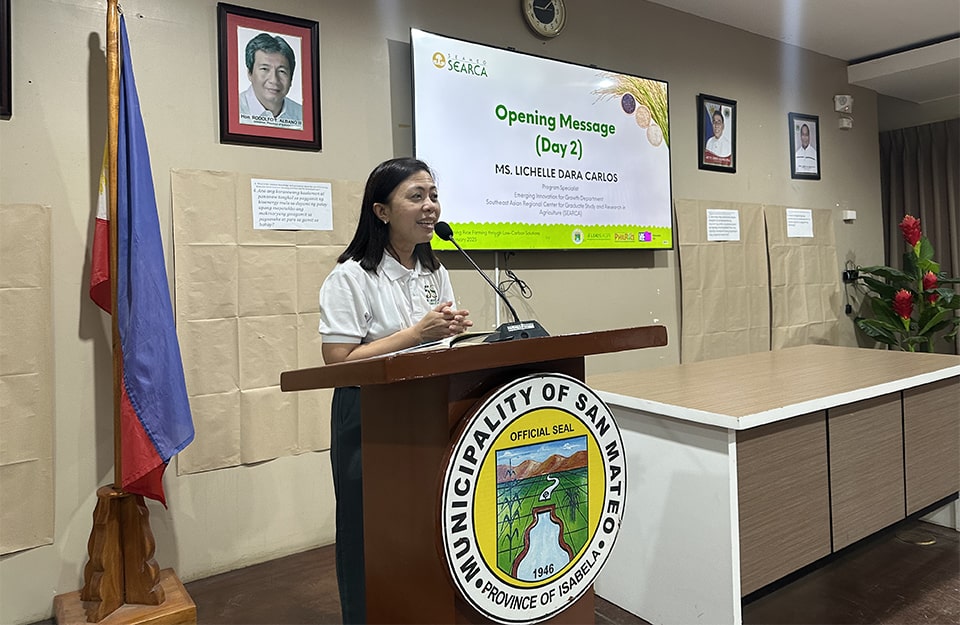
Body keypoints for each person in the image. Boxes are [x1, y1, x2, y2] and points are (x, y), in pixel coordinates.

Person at [318, 157, 472, 624]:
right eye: (416, 196)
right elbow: (337, 362)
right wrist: (416, 334)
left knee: (426, 521)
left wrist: (454, 333)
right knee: (370, 528)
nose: (430, 207)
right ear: (382, 211)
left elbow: (438, 342)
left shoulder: (435, 271)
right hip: (369, 412)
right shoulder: (350, 276)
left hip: (428, 405)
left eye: (433, 195)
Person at [239, 33, 303, 128]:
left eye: (282, 71)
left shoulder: (302, 115)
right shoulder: (234, 110)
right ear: (250, 73)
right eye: (265, 69)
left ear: (291, 78)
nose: (274, 80)